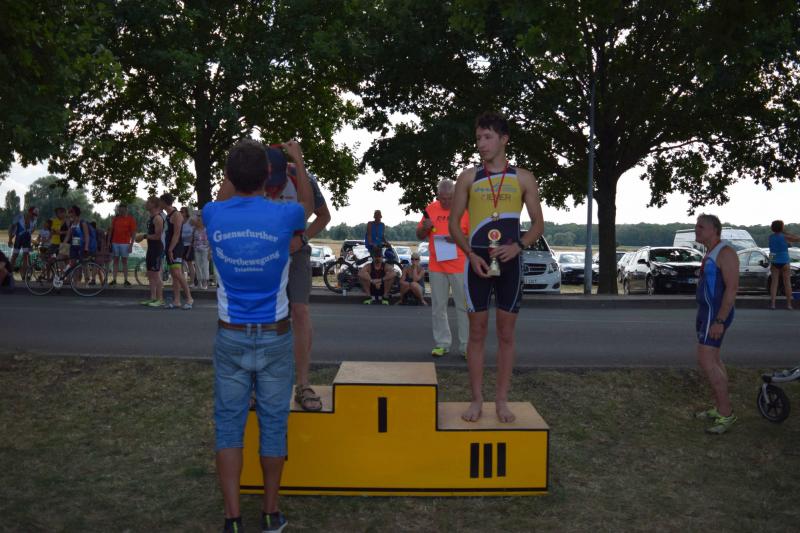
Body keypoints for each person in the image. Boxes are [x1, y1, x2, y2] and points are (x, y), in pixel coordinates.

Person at [205, 138, 311, 533]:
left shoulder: (213, 213)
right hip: (275, 335)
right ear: (269, 174)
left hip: (231, 335)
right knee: (273, 426)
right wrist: (298, 160)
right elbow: (308, 206)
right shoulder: (285, 215)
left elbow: (223, 193)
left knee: (228, 427)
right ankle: (270, 513)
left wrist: (236, 163)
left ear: (229, 176)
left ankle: (232, 519)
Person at [449, 112, 545, 423]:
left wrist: (519, 245)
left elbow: (538, 224)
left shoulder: (523, 178)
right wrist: (469, 254)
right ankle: (477, 399)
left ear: (504, 139)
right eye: (478, 138)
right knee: (476, 332)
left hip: (510, 261)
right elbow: (453, 224)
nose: (481, 144)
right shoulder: (468, 177)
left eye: (488, 137)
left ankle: (501, 400)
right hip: (477, 261)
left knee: (506, 333)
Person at [264, 149, 332, 412]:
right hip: (264, 252)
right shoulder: (251, 176)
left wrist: (303, 238)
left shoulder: (301, 177)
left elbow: (324, 216)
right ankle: (262, 384)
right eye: (267, 184)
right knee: (265, 315)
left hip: (296, 251)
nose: (272, 190)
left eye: (276, 184)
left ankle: (303, 384)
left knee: (300, 310)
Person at [693, 214, 739, 434]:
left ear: (714, 230)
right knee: (714, 360)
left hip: (715, 315)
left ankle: (726, 414)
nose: (696, 229)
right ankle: (720, 408)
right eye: (696, 226)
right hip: (706, 312)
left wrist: (719, 320)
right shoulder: (710, 251)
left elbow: (732, 289)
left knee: (706, 360)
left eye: (701, 227)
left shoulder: (725, 252)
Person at [417, 178, 469, 357]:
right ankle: (442, 343)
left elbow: (475, 237)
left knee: (463, 307)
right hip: (437, 265)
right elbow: (419, 235)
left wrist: (458, 238)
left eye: (449, 198)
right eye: (442, 198)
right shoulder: (431, 209)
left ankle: (466, 347)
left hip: (460, 266)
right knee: (438, 307)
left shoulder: (465, 210)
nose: (445, 202)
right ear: (438, 195)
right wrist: (425, 228)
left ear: (456, 195)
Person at [159, 193, 193, 310]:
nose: (159, 204)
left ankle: (189, 298)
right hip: (170, 247)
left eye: (160, 201)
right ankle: (177, 301)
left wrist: (170, 249)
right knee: (174, 275)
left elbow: (177, 234)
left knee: (178, 273)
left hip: (176, 248)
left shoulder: (177, 215)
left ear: (164, 202)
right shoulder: (168, 215)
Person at [768, 220, 800, 310]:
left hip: (774, 260)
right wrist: (786, 232)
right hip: (784, 260)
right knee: (787, 283)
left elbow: (771, 250)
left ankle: (773, 304)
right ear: (781, 227)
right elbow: (798, 238)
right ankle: (789, 305)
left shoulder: (770, 237)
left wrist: (771, 262)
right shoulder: (785, 237)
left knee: (774, 283)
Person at [140, 197, 165, 307]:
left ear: (154, 204)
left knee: (156, 274)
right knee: (150, 274)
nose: (146, 204)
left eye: (148, 202)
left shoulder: (158, 218)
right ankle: (153, 298)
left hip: (157, 249)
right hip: (151, 248)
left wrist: (144, 236)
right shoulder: (151, 218)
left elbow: (158, 236)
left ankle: (160, 299)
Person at [109, 204, 138, 286]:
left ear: (126, 210)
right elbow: (111, 230)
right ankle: (114, 279)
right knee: (115, 261)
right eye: (120, 210)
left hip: (125, 243)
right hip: (115, 242)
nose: (121, 212)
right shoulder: (115, 219)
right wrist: (108, 242)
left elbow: (133, 233)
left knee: (124, 261)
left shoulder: (131, 219)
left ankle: (126, 280)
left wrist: (131, 245)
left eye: (123, 210)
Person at [8, 206, 38, 280]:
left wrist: (29, 235)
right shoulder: (19, 217)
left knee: (26, 257)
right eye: (33, 214)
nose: (34, 216)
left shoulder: (34, 220)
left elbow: (33, 229)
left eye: (35, 215)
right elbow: (12, 228)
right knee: (14, 256)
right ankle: (9, 275)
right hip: (18, 239)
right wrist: (10, 239)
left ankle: (24, 275)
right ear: (29, 212)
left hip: (27, 239)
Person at [192, 214, 210, 290]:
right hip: (197, 249)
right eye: (197, 220)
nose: (197, 221)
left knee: (205, 265)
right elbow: (193, 239)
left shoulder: (207, 229)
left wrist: (209, 251)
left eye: (199, 220)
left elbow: (210, 240)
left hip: (205, 250)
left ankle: (205, 282)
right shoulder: (195, 229)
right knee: (198, 265)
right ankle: (199, 282)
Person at [180, 206, 197, 287]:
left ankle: (192, 282)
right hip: (181, 245)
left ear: (186, 213)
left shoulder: (190, 220)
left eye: (182, 212)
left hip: (190, 245)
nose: (181, 213)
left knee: (190, 263)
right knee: (180, 263)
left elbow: (196, 230)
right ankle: (183, 281)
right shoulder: (180, 221)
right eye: (180, 211)